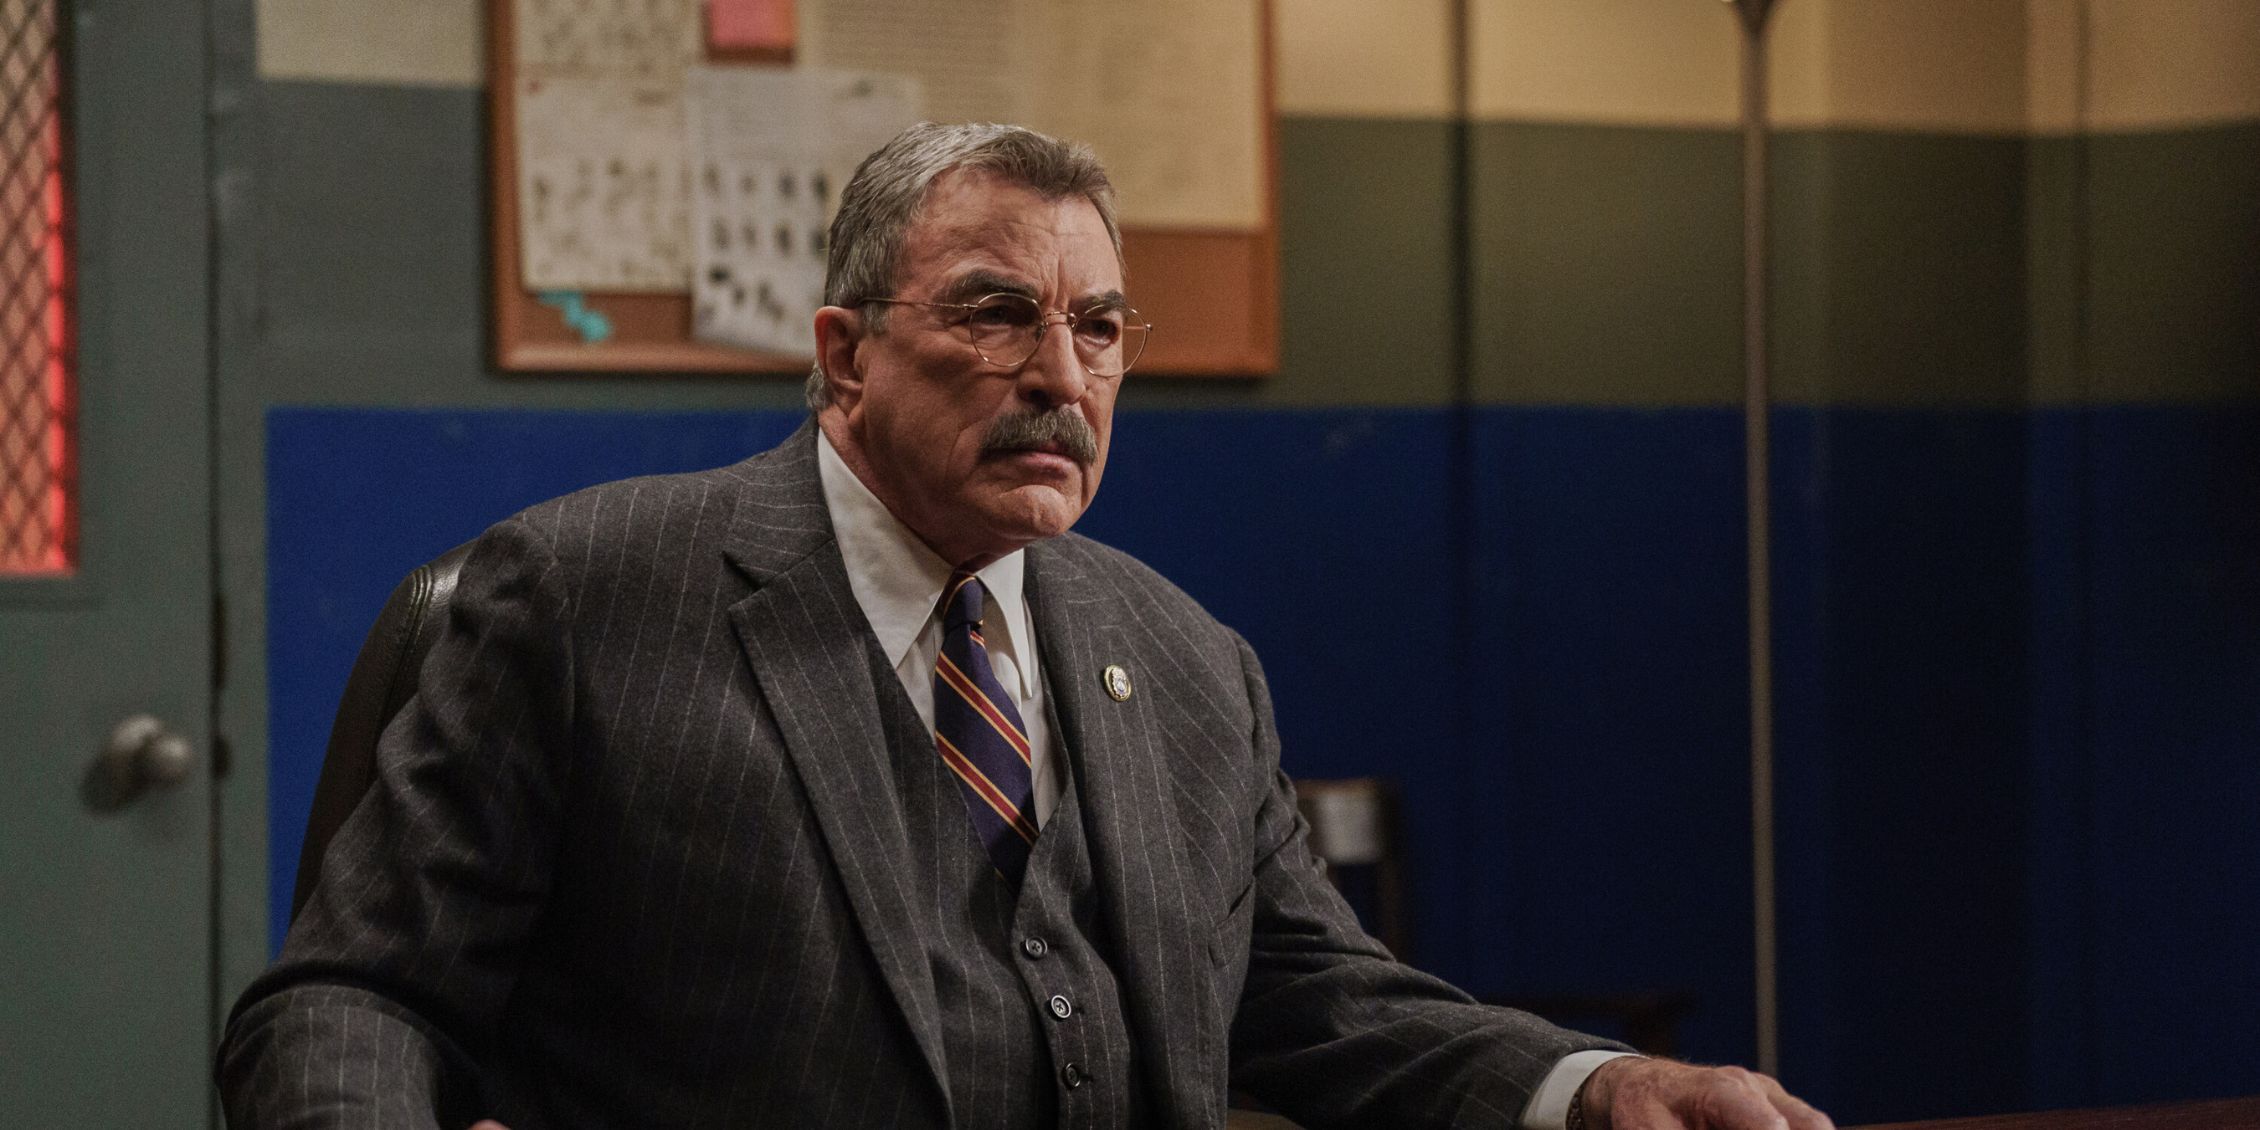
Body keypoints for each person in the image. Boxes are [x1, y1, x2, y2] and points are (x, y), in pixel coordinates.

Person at [220, 122, 1832, 1130]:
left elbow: (1319, 999)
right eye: (997, 311)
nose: (1060, 373)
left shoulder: (1188, 659)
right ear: (846, 356)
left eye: (1101, 327)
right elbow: (348, 1002)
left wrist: (1587, 1084)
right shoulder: (586, 595)